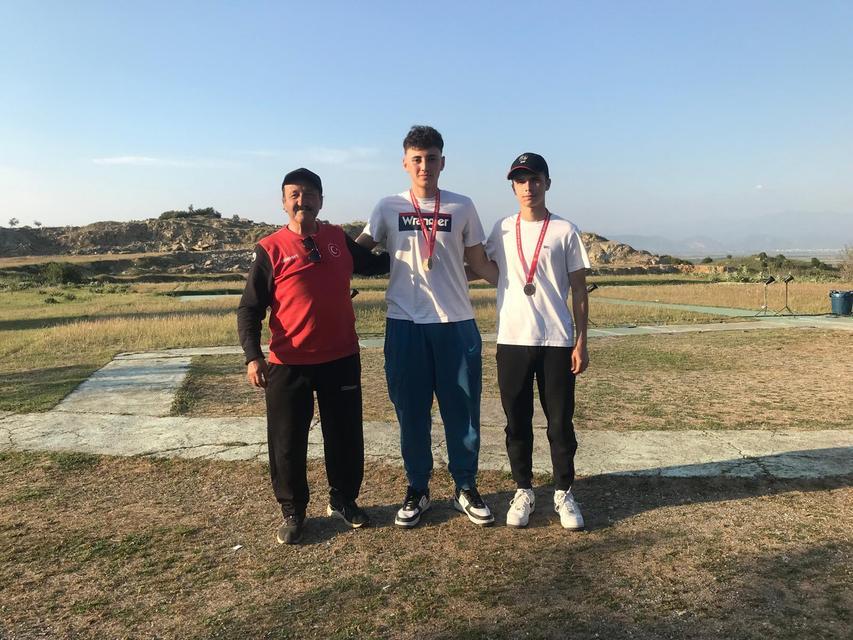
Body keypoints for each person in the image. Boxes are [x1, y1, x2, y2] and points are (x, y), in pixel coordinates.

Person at [237, 168, 389, 545]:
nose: (301, 200)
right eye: (294, 194)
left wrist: (415, 247)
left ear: (321, 200)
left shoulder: (337, 238)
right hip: (289, 363)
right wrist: (253, 356)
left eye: (308, 194)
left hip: (341, 357)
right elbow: (249, 309)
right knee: (287, 442)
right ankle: (293, 512)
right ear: (283, 202)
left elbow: (374, 264)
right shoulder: (270, 248)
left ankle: (343, 500)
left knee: (345, 435)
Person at [356, 125, 496, 527]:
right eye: (416, 159)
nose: (424, 166)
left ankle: (465, 486)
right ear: (404, 163)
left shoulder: (462, 206)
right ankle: (417, 488)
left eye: (431, 158)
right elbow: (355, 255)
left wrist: (522, 281)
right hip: (405, 323)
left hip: (456, 323)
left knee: (462, 411)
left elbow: (479, 263)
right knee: (411, 412)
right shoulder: (387, 207)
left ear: (442, 162)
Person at [484, 152, 591, 530]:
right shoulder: (501, 229)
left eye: (534, 179)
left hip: (556, 341)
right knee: (517, 422)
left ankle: (563, 492)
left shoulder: (565, 230)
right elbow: (482, 267)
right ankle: (523, 490)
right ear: (513, 186)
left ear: (547, 182)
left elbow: (579, 290)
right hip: (512, 339)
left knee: (560, 423)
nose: (528, 186)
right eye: (520, 180)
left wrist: (581, 341)